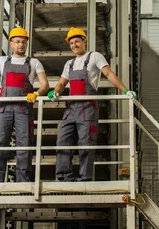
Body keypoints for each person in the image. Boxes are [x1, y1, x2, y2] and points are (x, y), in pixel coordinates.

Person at [47, 27, 132, 182]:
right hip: (71, 108)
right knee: (63, 140)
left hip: (87, 107)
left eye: (77, 41)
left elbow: (109, 74)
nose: (74, 45)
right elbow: (61, 83)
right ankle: (64, 176)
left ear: (84, 40)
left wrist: (125, 90)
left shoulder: (95, 57)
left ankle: (84, 177)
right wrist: (55, 92)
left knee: (86, 142)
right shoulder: (69, 63)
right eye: (71, 43)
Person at [0, 27, 49, 183]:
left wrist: (37, 93)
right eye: (17, 41)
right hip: (4, 108)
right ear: (11, 43)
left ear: (27, 43)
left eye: (23, 42)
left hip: (23, 108)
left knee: (24, 144)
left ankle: (23, 182)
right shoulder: (2, 61)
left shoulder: (34, 62)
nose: (20, 45)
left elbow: (45, 84)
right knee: (0, 142)